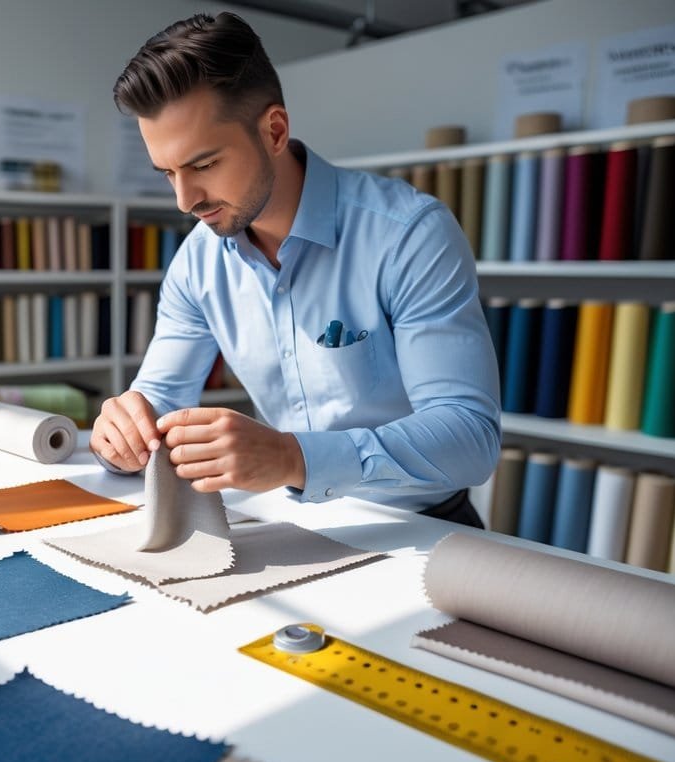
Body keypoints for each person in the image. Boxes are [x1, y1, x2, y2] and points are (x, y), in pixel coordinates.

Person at [91, 11, 500, 528]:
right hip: (293, 528)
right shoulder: (197, 263)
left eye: (202, 165)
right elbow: (158, 405)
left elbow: (470, 438)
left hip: (427, 529)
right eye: (168, 173)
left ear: (275, 130)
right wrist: (120, 436)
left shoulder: (409, 235)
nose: (184, 199)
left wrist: (292, 458)